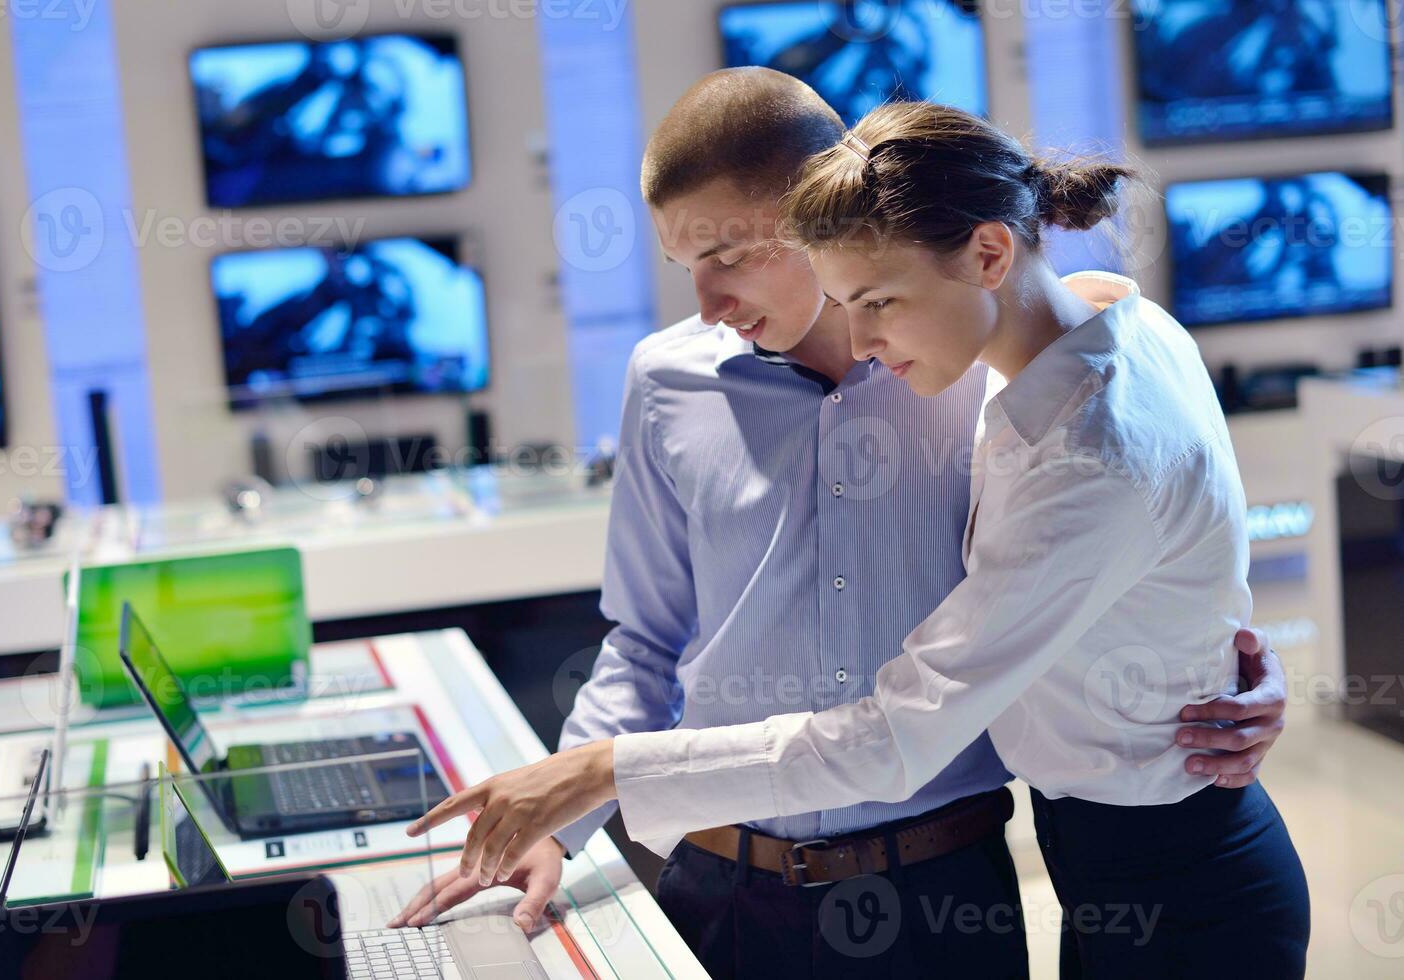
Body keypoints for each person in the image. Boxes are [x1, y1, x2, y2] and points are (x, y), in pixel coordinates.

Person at [392, 73, 1293, 978]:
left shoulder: (987, 372)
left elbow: (1121, 528)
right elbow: (647, 641)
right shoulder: (669, 379)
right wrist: (563, 817)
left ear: (819, 212)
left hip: (946, 887)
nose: (706, 301)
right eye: (685, 266)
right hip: (721, 879)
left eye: (733, 255)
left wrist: (1220, 664)